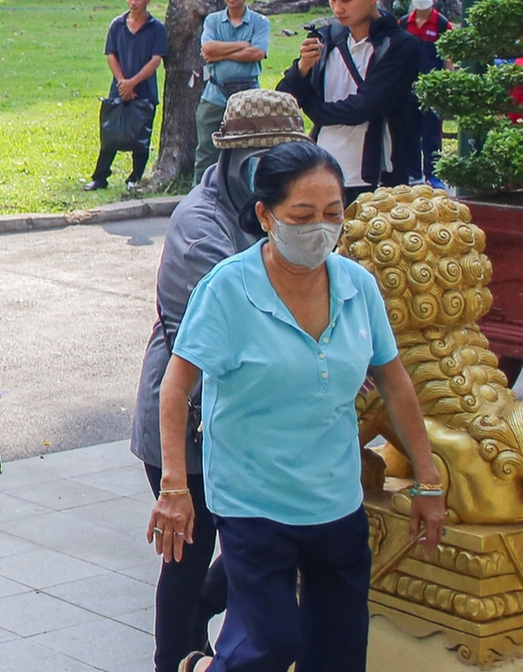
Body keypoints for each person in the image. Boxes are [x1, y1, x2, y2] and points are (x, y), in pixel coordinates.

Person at [150, 140, 445, 672]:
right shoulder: (228, 290)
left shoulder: (358, 287)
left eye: (333, 213)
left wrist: (427, 479)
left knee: (338, 651)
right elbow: (175, 389)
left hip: (334, 499)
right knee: (269, 644)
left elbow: (396, 383)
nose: (320, 228)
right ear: (266, 216)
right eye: (302, 215)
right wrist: (174, 488)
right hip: (252, 499)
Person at [132, 91, 310, 672]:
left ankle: (199, 631)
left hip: (247, 416)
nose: (280, 182)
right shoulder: (201, 224)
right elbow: (248, 327)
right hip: (188, 416)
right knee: (189, 549)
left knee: (260, 536)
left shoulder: (276, 213)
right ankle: (174, 657)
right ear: (234, 159)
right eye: (267, 166)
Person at [277, 0, 422, 203]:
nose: (337, 8)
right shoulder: (325, 39)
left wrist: (315, 110)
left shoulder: (399, 46)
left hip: (377, 176)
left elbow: (365, 106)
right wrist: (302, 67)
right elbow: (285, 98)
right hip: (323, 170)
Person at [86, 0, 167, 191]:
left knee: (140, 137)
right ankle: (100, 177)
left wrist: (134, 82)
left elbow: (156, 60)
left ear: (147, 0)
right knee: (110, 134)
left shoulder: (156, 28)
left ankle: (135, 177)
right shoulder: (117, 24)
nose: (133, 2)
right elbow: (111, 54)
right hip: (119, 90)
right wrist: (123, 82)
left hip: (145, 90)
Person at [195, 0, 272, 175]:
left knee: (249, 148)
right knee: (206, 147)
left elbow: (257, 52)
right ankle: (199, 193)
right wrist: (241, 46)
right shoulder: (212, 20)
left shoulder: (260, 22)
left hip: (248, 92)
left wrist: (221, 53)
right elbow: (208, 49)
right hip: (215, 92)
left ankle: (246, 194)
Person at [401, 0, 455, 183]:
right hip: (408, 88)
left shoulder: (442, 24)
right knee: (410, 133)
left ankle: (433, 175)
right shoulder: (404, 23)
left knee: (432, 135)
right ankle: (413, 173)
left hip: (432, 90)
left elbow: (448, 57)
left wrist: (448, 85)